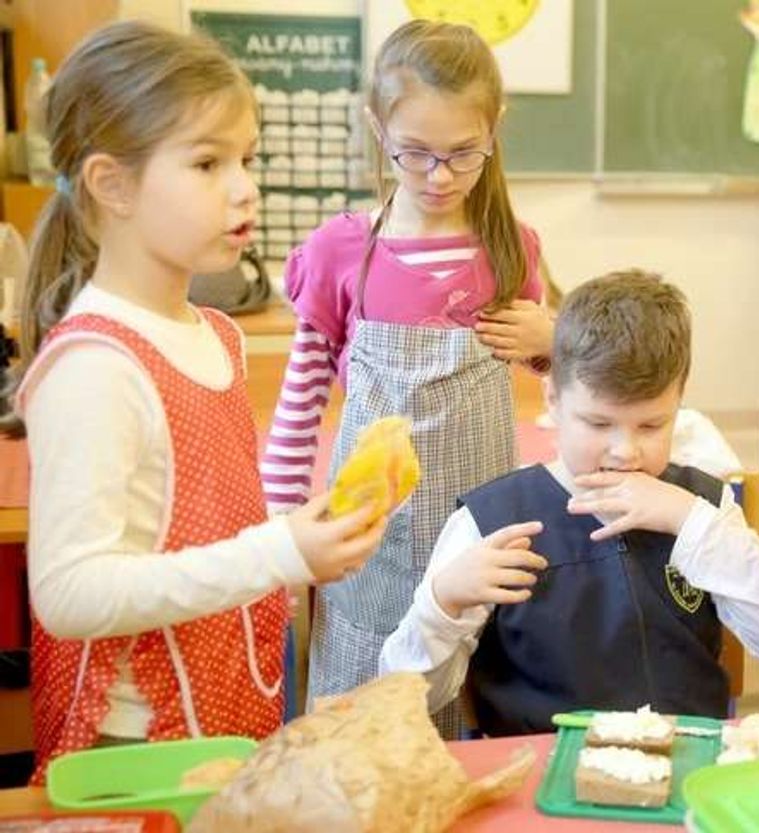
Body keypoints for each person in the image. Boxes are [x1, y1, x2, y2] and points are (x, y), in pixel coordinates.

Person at [0, 21, 388, 782]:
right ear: (112, 184)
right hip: (139, 742)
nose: (245, 188)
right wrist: (278, 553)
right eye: (208, 163)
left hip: (231, 709)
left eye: (247, 159)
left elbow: (206, 524)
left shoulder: (216, 335)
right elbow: (70, 593)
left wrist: (296, 540)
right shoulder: (95, 365)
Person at [259, 20, 550, 732]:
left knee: (468, 718)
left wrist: (552, 344)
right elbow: (299, 402)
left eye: (463, 153)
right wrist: (277, 535)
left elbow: (566, 393)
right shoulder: (339, 251)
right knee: (363, 727)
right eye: (413, 153)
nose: (439, 176)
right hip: (370, 551)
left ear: (495, 129)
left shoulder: (511, 251)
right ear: (376, 127)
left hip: (477, 544)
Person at [379, 270, 759, 734]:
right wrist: (442, 603)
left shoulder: (701, 506)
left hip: (685, 761)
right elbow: (405, 696)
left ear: (679, 402)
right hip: (542, 766)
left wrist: (691, 522)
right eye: (598, 423)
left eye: (651, 425)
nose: (625, 451)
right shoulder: (491, 522)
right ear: (553, 397)